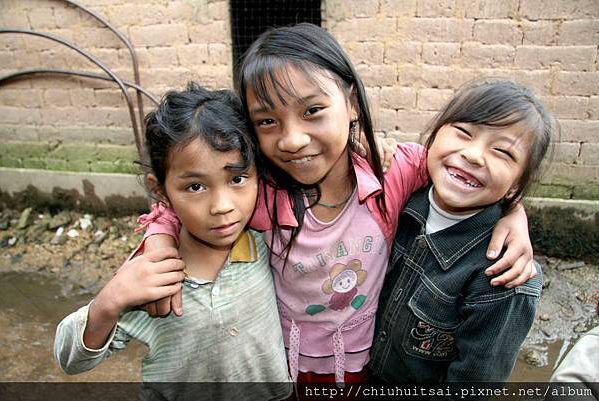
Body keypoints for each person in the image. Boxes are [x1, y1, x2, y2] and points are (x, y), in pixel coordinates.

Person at [138, 24, 536, 385]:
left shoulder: (389, 174)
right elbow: (188, 200)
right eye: (267, 122)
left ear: (351, 103)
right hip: (287, 368)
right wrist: (158, 240)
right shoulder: (263, 193)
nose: (292, 139)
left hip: (369, 368)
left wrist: (513, 211)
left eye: (312, 111)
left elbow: (462, 174)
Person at [53, 83, 291, 401]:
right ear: (161, 191)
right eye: (195, 187)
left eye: (237, 179)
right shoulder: (152, 277)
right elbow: (71, 361)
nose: (222, 205)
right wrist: (107, 305)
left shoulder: (266, 244)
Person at [368, 79, 552, 385]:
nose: (474, 155)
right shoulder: (400, 195)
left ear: (516, 186)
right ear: (434, 136)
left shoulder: (502, 277)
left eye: (503, 152)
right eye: (464, 133)